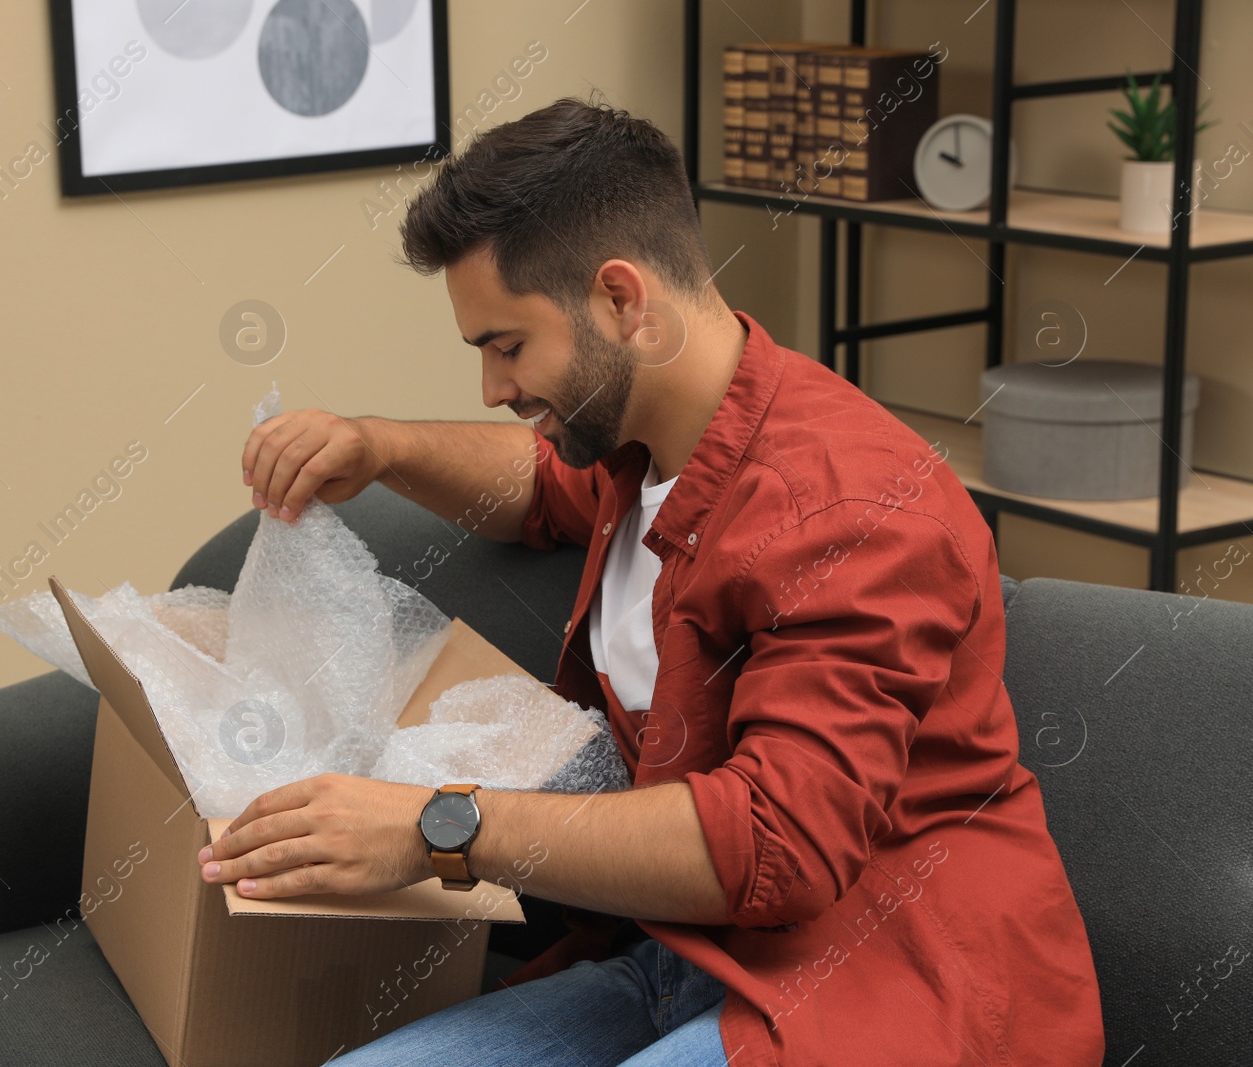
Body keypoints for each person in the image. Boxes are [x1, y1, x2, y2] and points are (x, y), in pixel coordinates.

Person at [207, 95, 1105, 1066]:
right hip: (684, 953)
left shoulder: (855, 510)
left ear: (622, 301)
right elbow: (547, 489)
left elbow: (777, 842)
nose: (493, 389)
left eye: (506, 346)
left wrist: (435, 826)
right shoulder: (647, 442)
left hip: (884, 979)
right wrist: (378, 444)